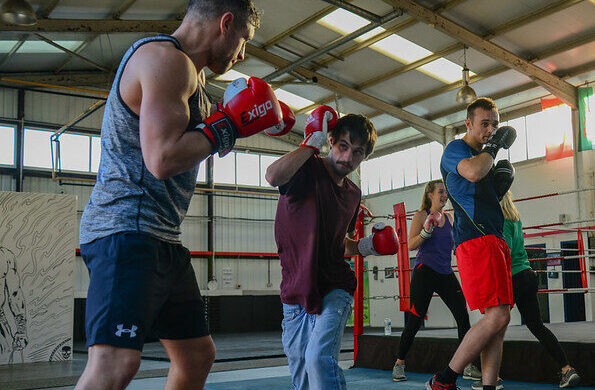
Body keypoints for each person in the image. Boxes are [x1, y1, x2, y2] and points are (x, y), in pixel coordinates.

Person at [75, 2, 295, 389]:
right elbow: (162, 159)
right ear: (225, 24)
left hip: (160, 237)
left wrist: (247, 122)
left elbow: (197, 143)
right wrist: (229, 125)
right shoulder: (165, 61)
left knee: (196, 356)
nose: (242, 55)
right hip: (126, 230)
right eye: (243, 41)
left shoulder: (193, 81)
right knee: (115, 363)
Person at [266, 105, 399, 390]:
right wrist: (310, 142)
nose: (348, 157)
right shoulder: (307, 168)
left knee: (317, 359)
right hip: (295, 290)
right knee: (302, 376)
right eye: (343, 146)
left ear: (365, 156)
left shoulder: (353, 194)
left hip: (334, 287)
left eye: (358, 152)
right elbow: (273, 176)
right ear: (331, 141)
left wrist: (368, 245)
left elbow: (339, 245)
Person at [427, 97, 517, 390]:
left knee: (499, 321)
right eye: (484, 124)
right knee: (499, 315)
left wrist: (499, 189)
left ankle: (489, 386)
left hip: (494, 237)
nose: (491, 130)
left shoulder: (487, 159)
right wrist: (493, 148)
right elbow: (473, 172)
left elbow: (481, 191)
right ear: (469, 124)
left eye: (495, 124)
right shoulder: (456, 149)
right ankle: (444, 379)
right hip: (476, 240)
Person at [473, 191, 580, 389]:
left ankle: (491, 378)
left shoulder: (501, 220)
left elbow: (507, 250)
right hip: (527, 274)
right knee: (536, 325)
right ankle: (566, 369)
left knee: (493, 327)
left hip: (511, 277)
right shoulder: (515, 217)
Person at [391, 180, 481, 382]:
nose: (445, 195)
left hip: (445, 272)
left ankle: (466, 365)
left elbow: (454, 245)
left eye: (446, 192)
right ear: (430, 194)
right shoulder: (421, 215)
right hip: (425, 271)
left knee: (462, 315)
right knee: (415, 320)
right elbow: (411, 244)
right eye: (441, 191)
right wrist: (426, 231)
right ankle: (399, 363)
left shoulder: (449, 218)